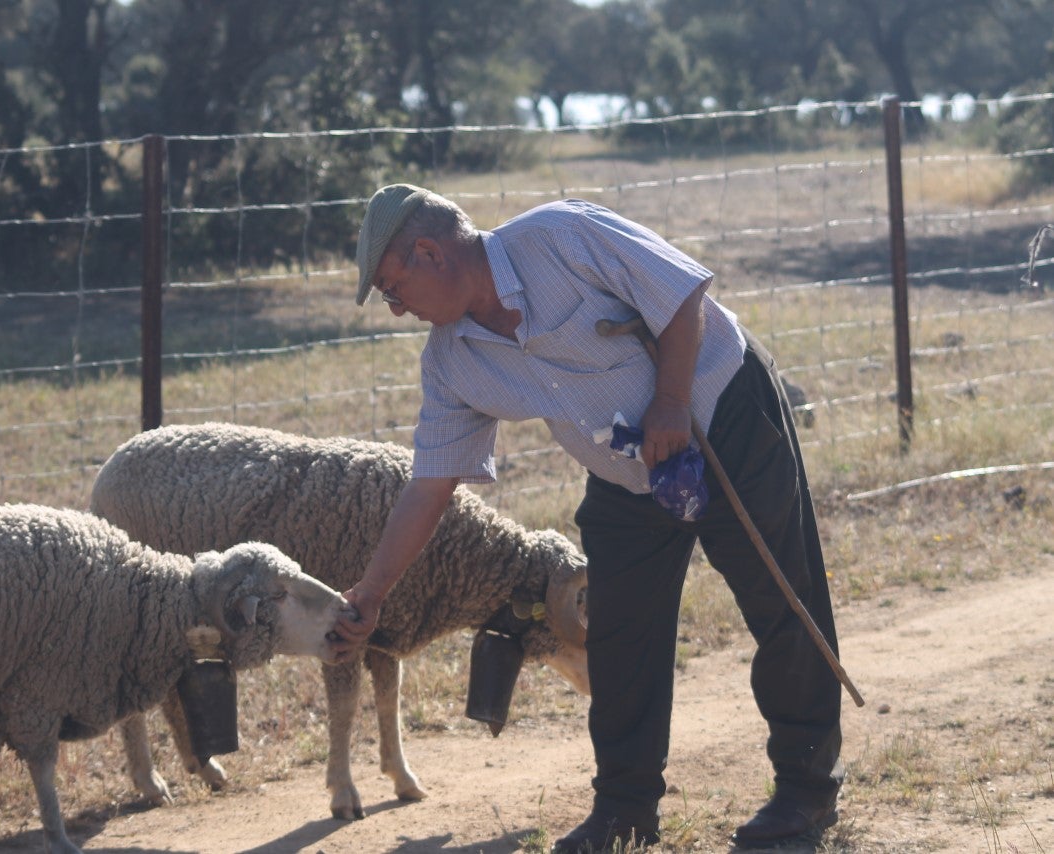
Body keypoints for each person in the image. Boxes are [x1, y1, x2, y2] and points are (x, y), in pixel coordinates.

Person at [330, 183, 844, 852]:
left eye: (394, 289)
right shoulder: (452, 360)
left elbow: (682, 295)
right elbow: (430, 483)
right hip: (625, 468)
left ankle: (806, 790)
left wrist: (670, 401)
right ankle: (625, 811)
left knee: (780, 598)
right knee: (620, 633)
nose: (399, 309)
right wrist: (371, 592)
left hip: (722, 416)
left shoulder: (561, 236)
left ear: (429, 252)